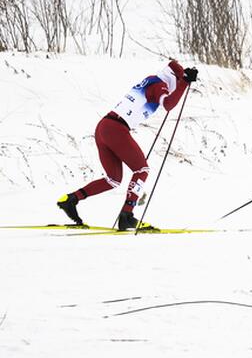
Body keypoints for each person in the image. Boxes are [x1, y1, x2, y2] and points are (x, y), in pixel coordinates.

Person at [57, 60, 198, 230]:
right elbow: (168, 105)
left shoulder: (153, 80)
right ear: (172, 78)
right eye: (176, 83)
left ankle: (71, 199)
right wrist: (185, 82)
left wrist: (183, 80)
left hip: (104, 127)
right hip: (116, 128)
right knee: (142, 170)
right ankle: (127, 215)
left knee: (113, 179)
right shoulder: (159, 86)